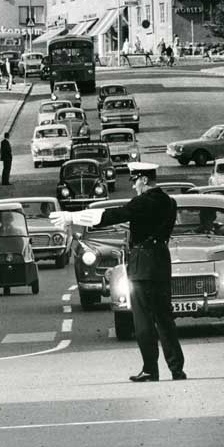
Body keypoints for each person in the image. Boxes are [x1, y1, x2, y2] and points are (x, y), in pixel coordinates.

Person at [50, 162, 186, 383]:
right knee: (165, 318)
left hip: (142, 264)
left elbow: (112, 215)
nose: (134, 186)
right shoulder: (170, 203)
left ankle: (151, 369)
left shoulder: (142, 202)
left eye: (135, 181)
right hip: (161, 262)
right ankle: (176, 369)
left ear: (143, 179)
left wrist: (72, 217)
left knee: (143, 320)